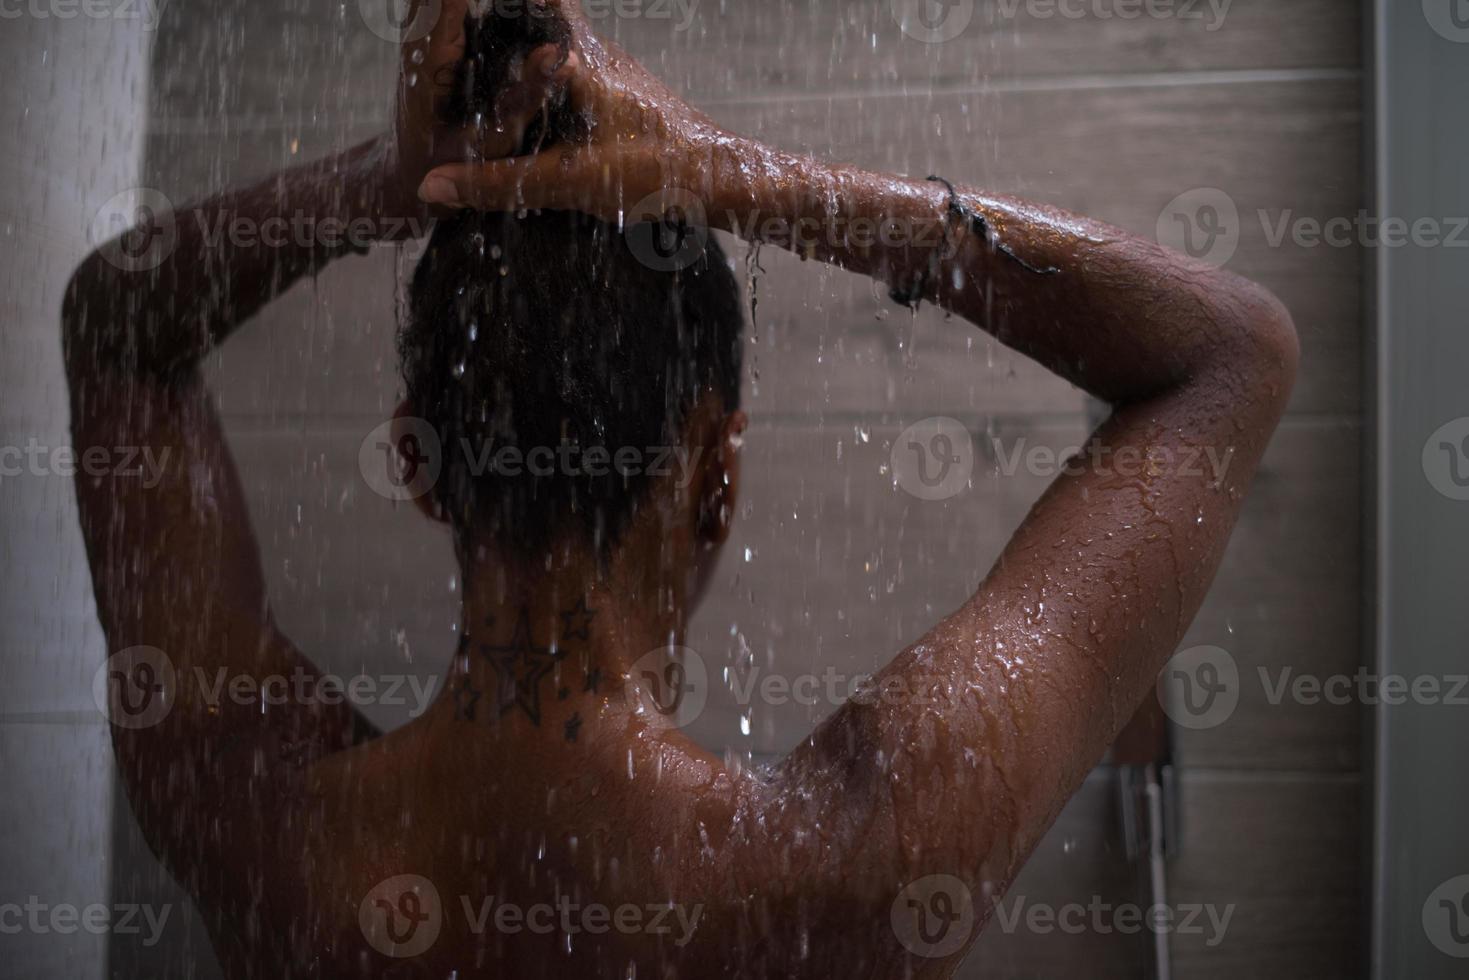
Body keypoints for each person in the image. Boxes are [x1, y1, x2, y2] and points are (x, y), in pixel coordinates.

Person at [63, 1, 1297, 975]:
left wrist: (403, 183)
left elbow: (115, 322)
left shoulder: (265, 827)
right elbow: (1226, 351)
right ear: (715, 470)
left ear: (417, 462)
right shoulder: (848, 865)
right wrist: (739, 176)